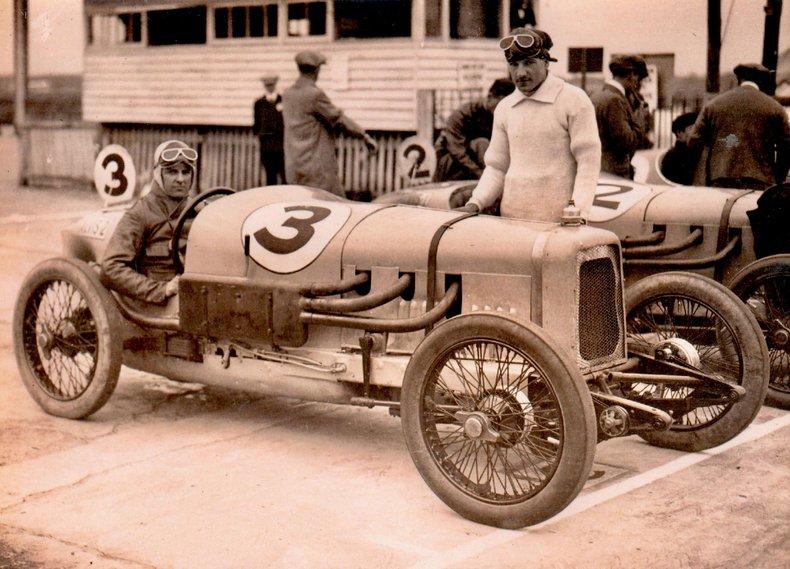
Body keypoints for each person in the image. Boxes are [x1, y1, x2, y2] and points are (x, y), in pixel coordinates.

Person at [460, 27, 601, 223]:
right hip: (512, 220)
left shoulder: (574, 100)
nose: (521, 72)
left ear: (545, 62)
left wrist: (578, 212)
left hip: (560, 222)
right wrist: (476, 202)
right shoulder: (505, 107)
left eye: (529, 63)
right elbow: (496, 167)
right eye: (514, 64)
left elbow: (588, 162)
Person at [101, 140, 198, 305]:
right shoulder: (140, 213)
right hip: (159, 306)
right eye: (172, 172)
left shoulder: (200, 209)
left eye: (186, 172)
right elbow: (111, 267)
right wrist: (162, 289)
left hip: (196, 294)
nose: (181, 179)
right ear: (158, 174)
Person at [282, 50, 377, 196]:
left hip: (294, 169)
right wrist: (364, 135)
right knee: (338, 207)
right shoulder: (314, 94)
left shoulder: (287, 94)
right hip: (317, 171)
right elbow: (339, 120)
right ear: (317, 70)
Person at [689, 63, 789, 190]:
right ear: (761, 81)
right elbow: (787, 146)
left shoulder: (713, 105)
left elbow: (694, 141)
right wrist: (778, 178)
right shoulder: (775, 108)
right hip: (761, 182)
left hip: (720, 180)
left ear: (738, 79)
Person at [433, 77, 515, 182]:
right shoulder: (461, 115)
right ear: (490, 97)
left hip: (473, 166)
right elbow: (457, 152)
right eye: (501, 104)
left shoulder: (496, 117)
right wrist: (481, 175)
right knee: (482, 143)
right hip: (448, 165)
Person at [590, 54, 651, 179]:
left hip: (600, 169)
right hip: (614, 174)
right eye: (638, 78)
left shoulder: (597, 94)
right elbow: (626, 142)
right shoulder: (615, 100)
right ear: (631, 75)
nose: (637, 84)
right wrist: (640, 117)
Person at [253, 74, 285, 185]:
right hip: (267, 147)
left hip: (282, 147)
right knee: (270, 178)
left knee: (284, 176)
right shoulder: (259, 103)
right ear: (265, 86)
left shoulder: (283, 100)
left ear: (275, 85)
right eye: (267, 85)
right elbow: (256, 125)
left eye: (271, 85)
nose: (270, 87)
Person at [661, 112, 700, 186]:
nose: (695, 132)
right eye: (691, 128)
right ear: (679, 133)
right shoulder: (673, 156)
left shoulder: (694, 151)